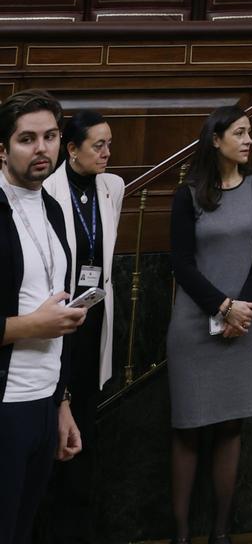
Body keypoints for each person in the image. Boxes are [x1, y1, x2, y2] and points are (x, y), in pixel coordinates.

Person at [167, 107, 252, 544]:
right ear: (216, 139)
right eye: (240, 133)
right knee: (189, 426)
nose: (249, 140)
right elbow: (181, 264)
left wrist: (241, 308)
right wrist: (222, 307)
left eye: (251, 133)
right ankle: (180, 535)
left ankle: (221, 534)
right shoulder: (187, 193)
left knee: (232, 426)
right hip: (196, 320)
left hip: (246, 320)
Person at [0, 93, 85, 544]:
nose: (42, 149)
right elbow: (40, 319)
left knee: (23, 530)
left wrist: (62, 403)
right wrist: (33, 326)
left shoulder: (51, 207)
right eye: (27, 139)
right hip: (5, 404)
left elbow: (54, 304)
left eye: (50, 136)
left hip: (43, 400)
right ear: (2, 149)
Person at [40, 111, 122, 544]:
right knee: (54, 420)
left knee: (86, 422)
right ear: (71, 150)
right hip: (56, 322)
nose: (108, 153)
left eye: (109, 144)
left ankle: (77, 528)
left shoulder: (114, 188)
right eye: (98, 146)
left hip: (95, 320)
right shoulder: (50, 192)